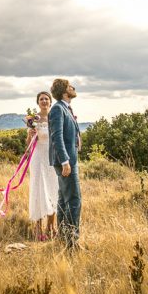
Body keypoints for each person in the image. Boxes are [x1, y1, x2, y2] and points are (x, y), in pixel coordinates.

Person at [48, 78, 82, 250]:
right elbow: (57, 137)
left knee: (63, 200)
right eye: (70, 86)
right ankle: (72, 242)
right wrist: (65, 161)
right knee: (74, 200)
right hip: (65, 162)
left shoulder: (65, 108)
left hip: (69, 159)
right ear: (64, 91)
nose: (73, 88)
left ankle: (63, 238)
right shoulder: (57, 109)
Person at [26, 91, 59, 241]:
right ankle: (38, 227)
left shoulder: (55, 117)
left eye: (46, 99)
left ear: (50, 101)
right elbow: (28, 143)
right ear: (37, 102)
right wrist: (31, 134)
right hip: (38, 158)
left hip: (52, 158)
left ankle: (51, 227)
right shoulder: (34, 119)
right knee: (39, 190)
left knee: (53, 190)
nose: (44, 101)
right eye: (41, 99)